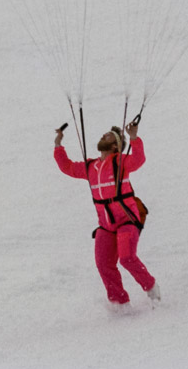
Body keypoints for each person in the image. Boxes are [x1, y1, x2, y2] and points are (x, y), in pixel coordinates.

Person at [53, 119, 159, 308]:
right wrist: (58, 145)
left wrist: (134, 138)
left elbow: (138, 160)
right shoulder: (91, 167)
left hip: (127, 220)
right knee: (103, 263)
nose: (104, 135)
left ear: (115, 146)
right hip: (106, 225)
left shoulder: (120, 162)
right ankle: (120, 303)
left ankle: (150, 286)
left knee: (126, 258)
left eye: (108, 136)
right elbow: (67, 167)